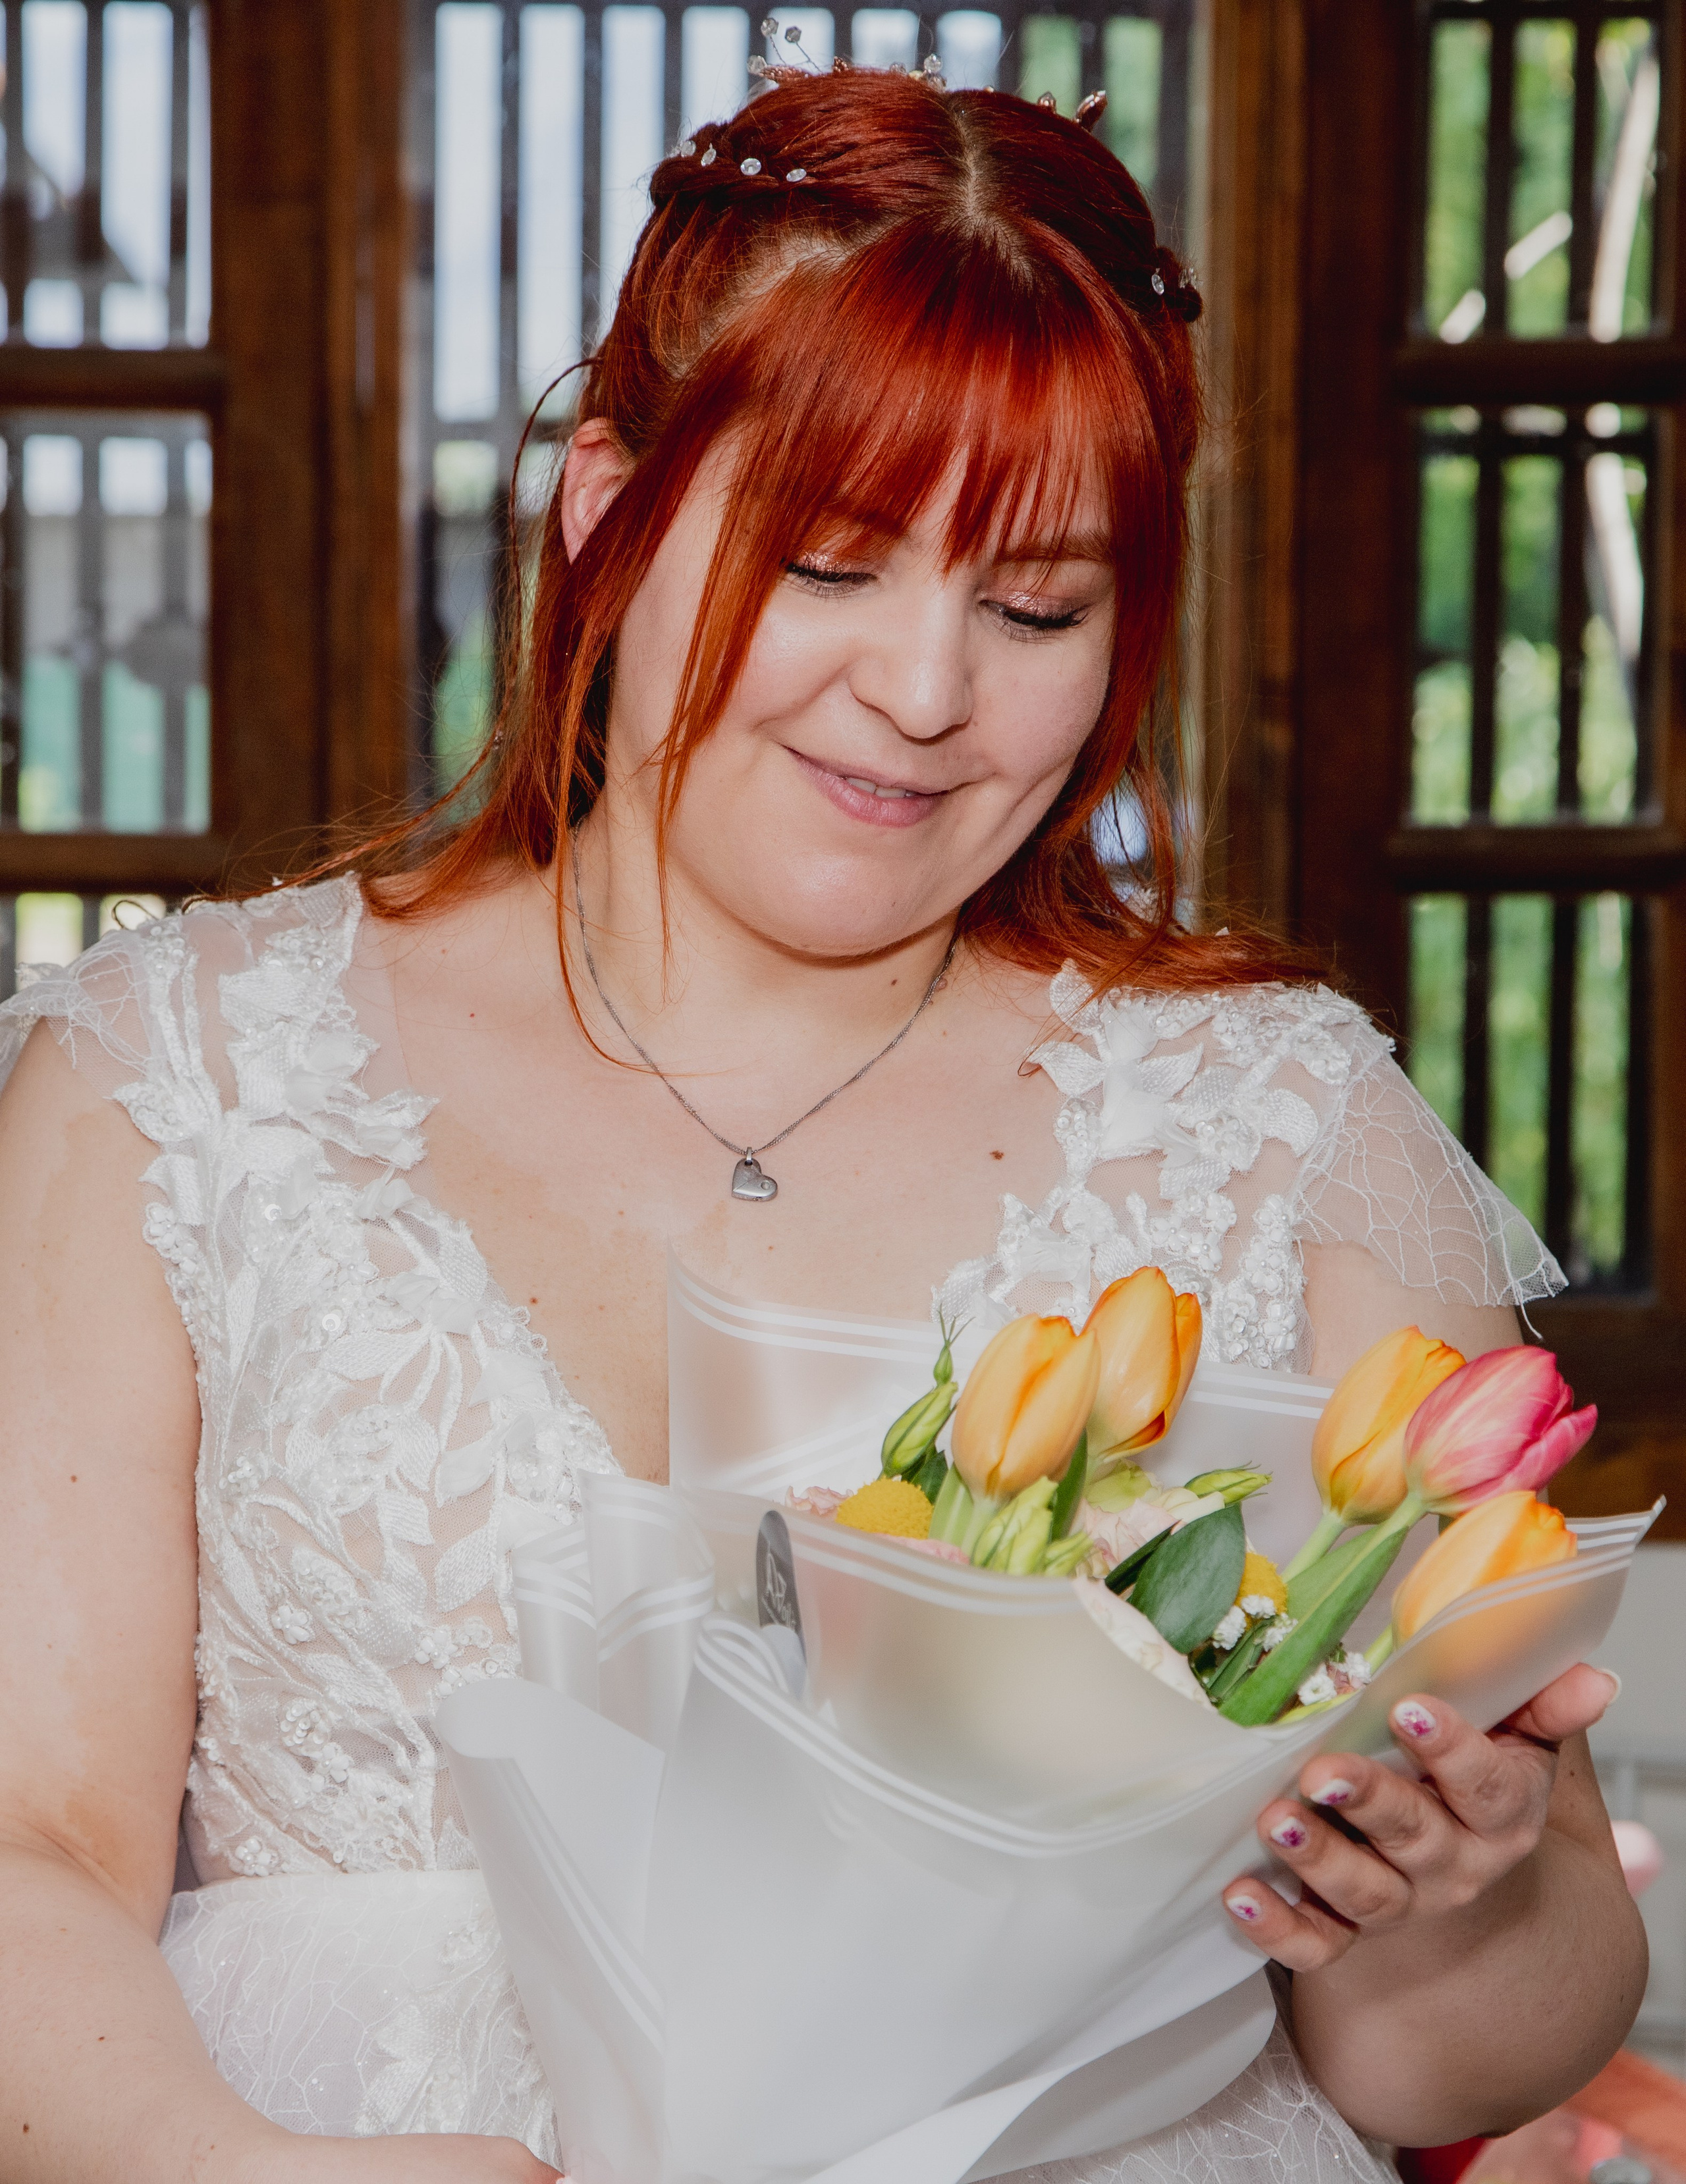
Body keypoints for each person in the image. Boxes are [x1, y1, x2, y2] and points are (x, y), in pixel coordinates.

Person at [0, 65, 1642, 2184]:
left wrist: (1460, 1902)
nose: (925, 694)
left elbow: (1446, 2068)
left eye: (1035, 608)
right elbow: (34, 1847)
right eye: (832, 564)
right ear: (608, 508)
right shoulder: (173, 1078)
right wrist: (239, 2174)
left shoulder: (1282, 1122)